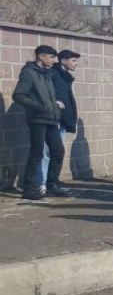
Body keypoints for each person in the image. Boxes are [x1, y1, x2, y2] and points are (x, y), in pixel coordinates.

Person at [13, 45, 69, 200]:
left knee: (58, 151)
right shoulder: (28, 73)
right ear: (41, 56)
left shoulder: (47, 74)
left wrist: (54, 104)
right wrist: (39, 106)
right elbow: (18, 95)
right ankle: (29, 189)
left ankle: (52, 184)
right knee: (37, 153)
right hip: (37, 119)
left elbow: (48, 96)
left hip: (51, 118)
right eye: (51, 57)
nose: (53, 60)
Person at [45, 49, 80, 190]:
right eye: (73, 60)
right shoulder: (53, 74)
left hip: (63, 118)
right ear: (63, 61)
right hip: (53, 118)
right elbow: (47, 94)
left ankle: (53, 181)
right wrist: (55, 104)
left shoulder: (65, 76)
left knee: (58, 151)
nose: (76, 64)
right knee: (48, 152)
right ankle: (44, 183)